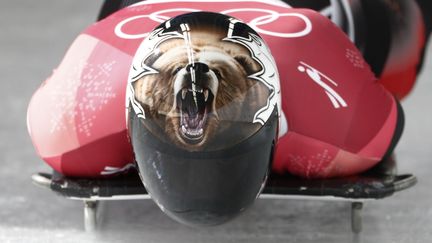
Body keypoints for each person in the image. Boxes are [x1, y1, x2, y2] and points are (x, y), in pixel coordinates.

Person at [27, 0, 415, 224]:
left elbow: (385, 115)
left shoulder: (71, 128)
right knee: (391, 50)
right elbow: (387, 115)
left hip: (302, 33)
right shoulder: (345, 138)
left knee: (397, 47)